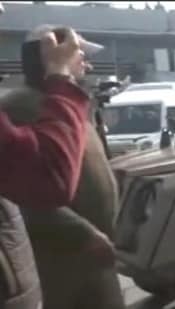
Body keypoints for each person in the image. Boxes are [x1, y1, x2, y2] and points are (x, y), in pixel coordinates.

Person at [1, 24, 125, 309]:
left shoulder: (69, 104)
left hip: (96, 255)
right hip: (62, 257)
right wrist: (81, 232)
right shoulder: (20, 106)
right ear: (48, 56)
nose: (87, 63)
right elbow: (28, 186)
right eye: (78, 54)